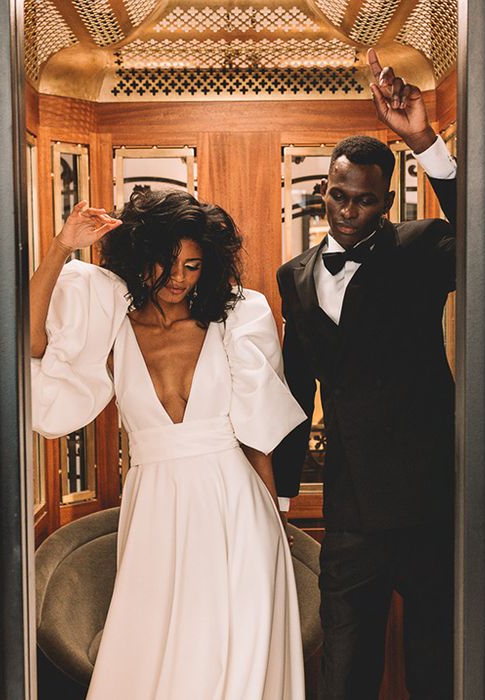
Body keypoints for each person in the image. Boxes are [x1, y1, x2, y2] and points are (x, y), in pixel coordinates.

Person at [31, 189, 308, 699]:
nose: (178, 278)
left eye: (193, 266)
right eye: (167, 262)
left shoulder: (235, 319)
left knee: (240, 651)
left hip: (237, 505)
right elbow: (31, 343)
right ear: (140, 257)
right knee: (159, 653)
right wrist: (60, 246)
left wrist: (275, 514)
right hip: (156, 505)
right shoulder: (112, 320)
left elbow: (255, 434)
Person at [273, 48, 457, 699]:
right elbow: (297, 384)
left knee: (437, 668)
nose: (348, 210)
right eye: (339, 194)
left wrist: (425, 143)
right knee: (345, 668)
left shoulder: (422, 249)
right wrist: (283, 491)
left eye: (365, 201)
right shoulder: (294, 277)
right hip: (350, 513)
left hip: (431, 503)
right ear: (325, 187)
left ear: (386, 203)